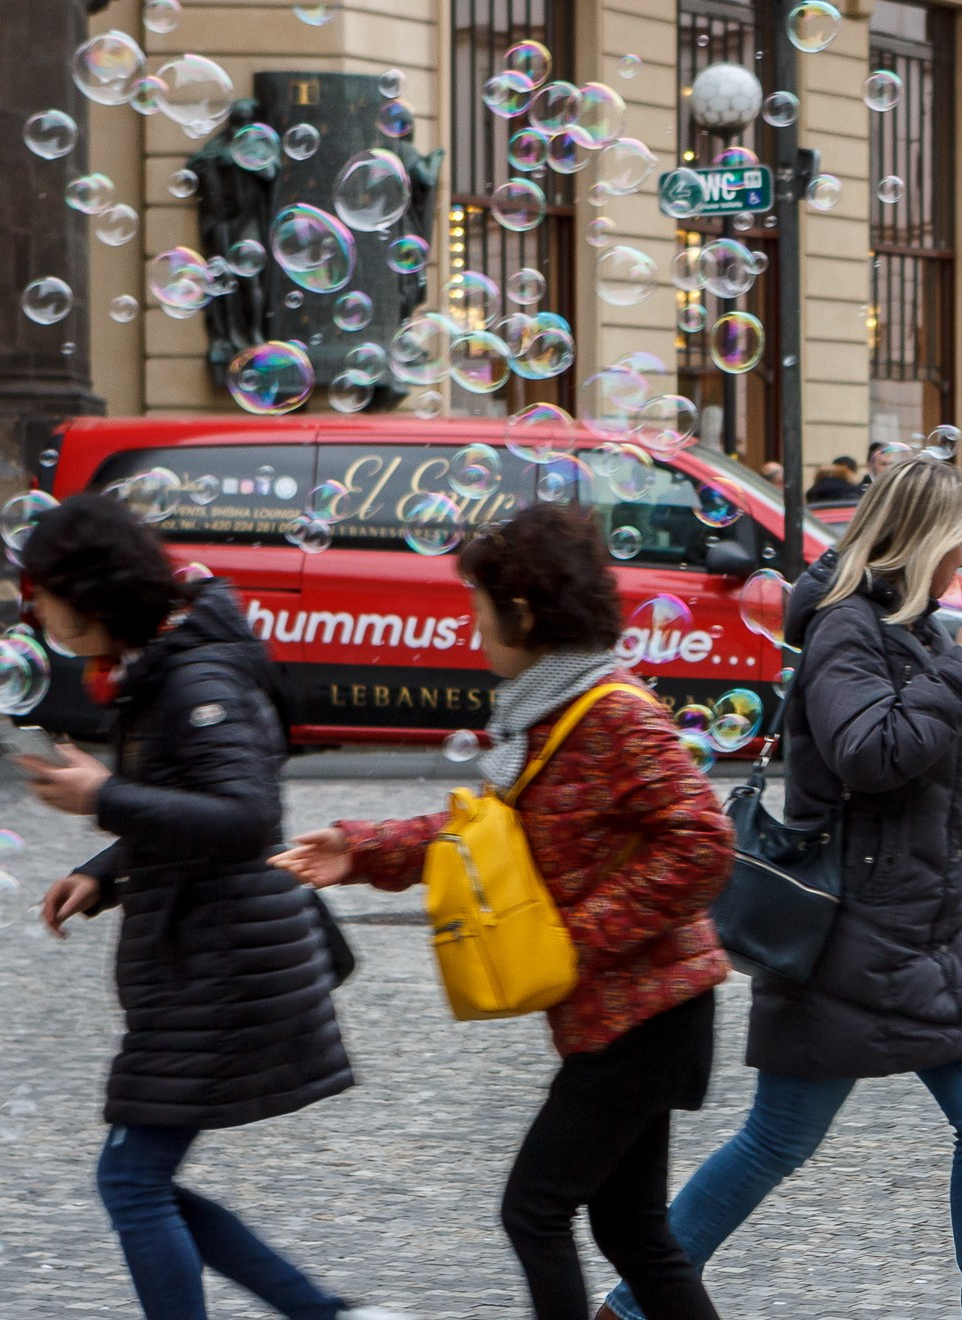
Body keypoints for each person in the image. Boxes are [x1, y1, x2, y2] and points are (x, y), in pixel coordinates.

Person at [601, 456, 962, 1320]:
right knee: (781, 1138)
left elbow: (949, 771)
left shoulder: (914, 626)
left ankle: (631, 1306)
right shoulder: (847, 628)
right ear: (923, 539)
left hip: (921, 924)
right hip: (852, 934)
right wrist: (961, 671)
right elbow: (869, 757)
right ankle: (634, 1304)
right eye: (960, 537)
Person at [273, 505, 735, 1320]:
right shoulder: (547, 713)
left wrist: (573, 937)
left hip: (649, 1014)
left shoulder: (612, 712)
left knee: (536, 1209)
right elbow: (487, 837)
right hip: (626, 1014)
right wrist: (362, 849)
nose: (473, 626)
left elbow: (702, 843)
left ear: (521, 614)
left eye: (479, 608)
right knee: (631, 1230)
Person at [22, 495, 400, 1320]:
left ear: (89, 595)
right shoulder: (167, 660)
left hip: (224, 965)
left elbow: (245, 817)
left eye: (42, 592)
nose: (35, 610)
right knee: (138, 1179)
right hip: (211, 952)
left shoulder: (197, 674)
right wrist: (105, 871)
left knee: (132, 1180)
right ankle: (324, 1314)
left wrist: (104, 796)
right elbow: (189, 801)